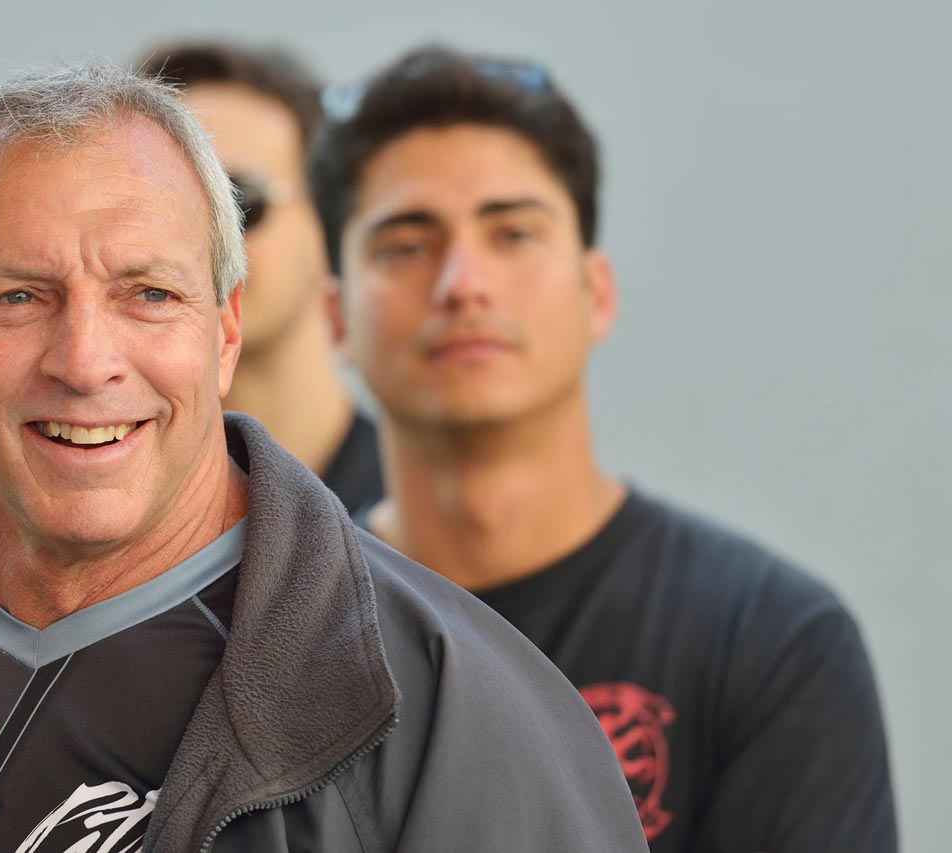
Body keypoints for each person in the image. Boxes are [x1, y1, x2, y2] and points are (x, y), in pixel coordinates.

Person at [0, 63, 648, 852]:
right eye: (18, 297)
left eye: (148, 293)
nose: (86, 360)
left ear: (224, 336)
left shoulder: (456, 715)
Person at [310, 45, 897, 852]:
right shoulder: (275, 633)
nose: (462, 283)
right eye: (407, 245)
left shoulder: (770, 638)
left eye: (513, 233)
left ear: (598, 292)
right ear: (335, 315)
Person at [140, 41, 383, 514]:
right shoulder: (94, 523)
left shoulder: (427, 527)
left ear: (330, 225)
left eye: (239, 202)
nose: (199, 248)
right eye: (159, 211)